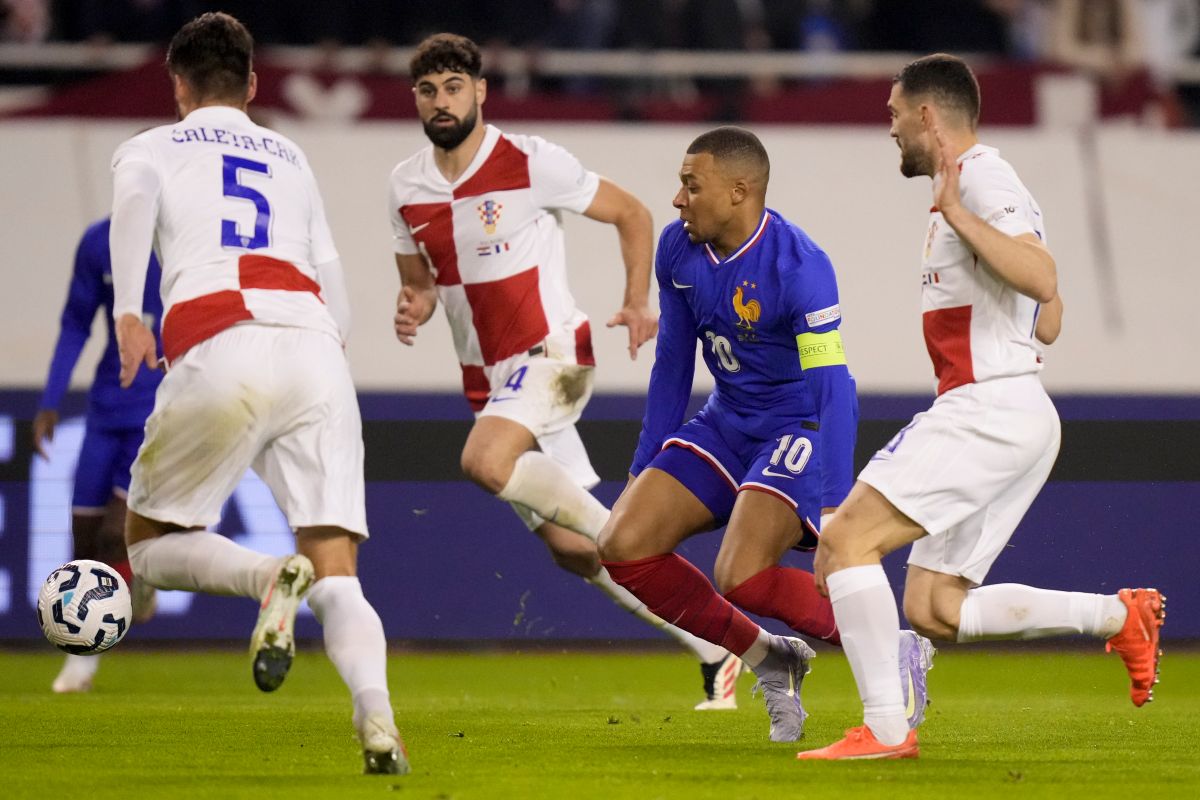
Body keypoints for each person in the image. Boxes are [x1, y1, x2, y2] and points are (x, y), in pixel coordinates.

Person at [799, 53, 1165, 761]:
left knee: (845, 541)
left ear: (928, 115)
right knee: (933, 608)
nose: (891, 127)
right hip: (1011, 408)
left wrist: (961, 215)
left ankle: (882, 729)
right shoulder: (975, 186)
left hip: (987, 408)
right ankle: (1119, 615)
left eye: (895, 112)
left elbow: (1043, 274)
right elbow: (1049, 317)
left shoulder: (978, 179)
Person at [389, 32, 746, 710]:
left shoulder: (528, 161)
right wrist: (413, 306)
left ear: (480, 91)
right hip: (492, 384)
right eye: (429, 90)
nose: (442, 101)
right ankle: (713, 646)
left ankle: (682, 586)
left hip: (551, 356)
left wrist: (638, 300)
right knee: (575, 551)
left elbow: (632, 212)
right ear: (416, 98)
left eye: (454, 87)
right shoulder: (403, 186)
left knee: (488, 462)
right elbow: (422, 283)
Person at [109, 12, 407, 775]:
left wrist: (130, 316)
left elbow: (132, 219)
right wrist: (322, 363)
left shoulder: (147, 148)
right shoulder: (290, 154)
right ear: (250, 83)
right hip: (312, 345)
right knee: (337, 568)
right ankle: (378, 721)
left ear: (177, 84)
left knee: (146, 546)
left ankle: (265, 578)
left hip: (220, 340)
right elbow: (333, 283)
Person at [596, 125, 935, 742]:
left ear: (738, 191)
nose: (677, 200)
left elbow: (834, 387)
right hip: (726, 421)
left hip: (793, 425)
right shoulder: (678, 250)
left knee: (741, 572)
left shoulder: (799, 265)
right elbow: (672, 362)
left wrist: (834, 504)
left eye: (690, 186)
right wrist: (644, 464)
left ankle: (895, 647)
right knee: (622, 543)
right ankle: (769, 655)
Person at [33, 217, 162, 694]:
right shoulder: (97, 241)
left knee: (114, 533)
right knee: (83, 543)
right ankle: (80, 660)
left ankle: (139, 569)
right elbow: (75, 323)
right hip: (106, 407)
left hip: (160, 410)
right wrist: (50, 399)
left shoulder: (190, 230)